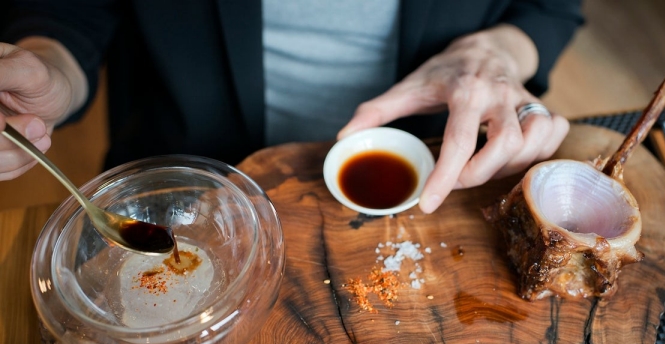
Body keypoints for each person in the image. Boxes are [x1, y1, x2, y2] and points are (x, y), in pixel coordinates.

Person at [0, 1, 583, 214]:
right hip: (191, 177)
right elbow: (68, 11)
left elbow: (550, 7)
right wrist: (46, 74)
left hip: (436, 172)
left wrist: (494, 51)